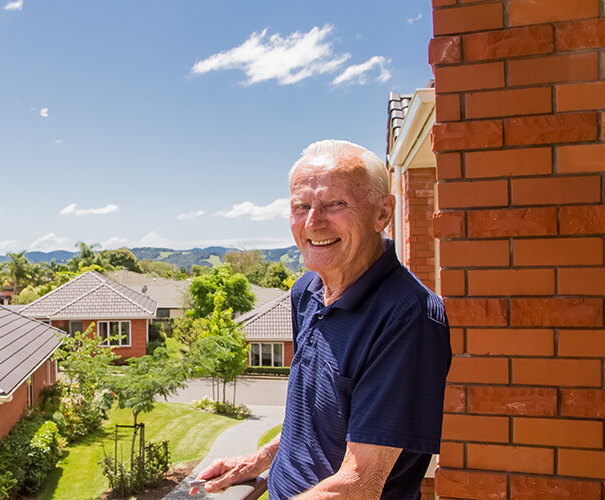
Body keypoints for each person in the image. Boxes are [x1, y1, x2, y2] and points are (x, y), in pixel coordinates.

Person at [190, 139, 451, 499]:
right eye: (301, 206)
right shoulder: (306, 291)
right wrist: (261, 458)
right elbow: (318, 419)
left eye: (335, 204)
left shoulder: (408, 317)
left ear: (382, 213)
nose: (313, 222)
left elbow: (360, 484)